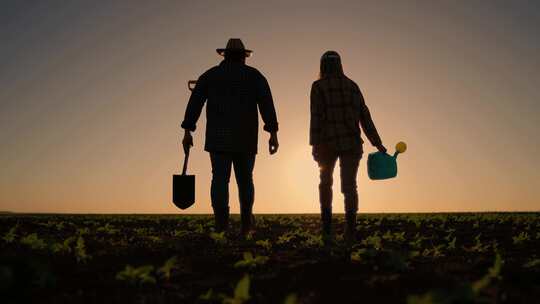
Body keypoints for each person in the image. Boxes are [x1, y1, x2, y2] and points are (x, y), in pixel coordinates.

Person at [181, 38, 279, 235]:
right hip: (246, 138)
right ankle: (245, 225)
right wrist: (273, 133)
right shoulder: (254, 76)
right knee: (245, 181)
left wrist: (188, 131)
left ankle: (221, 226)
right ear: (244, 56)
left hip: (218, 138)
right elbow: (266, 104)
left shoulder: (211, 76)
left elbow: (195, 104)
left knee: (219, 179)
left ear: (225, 55)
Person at [309, 51, 386, 243]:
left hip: (327, 143)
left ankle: (327, 230)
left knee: (325, 183)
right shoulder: (352, 86)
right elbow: (365, 117)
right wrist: (377, 143)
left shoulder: (318, 86)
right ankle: (350, 231)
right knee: (349, 186)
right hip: (352, 144)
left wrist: (315, 144)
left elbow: (316, 117)